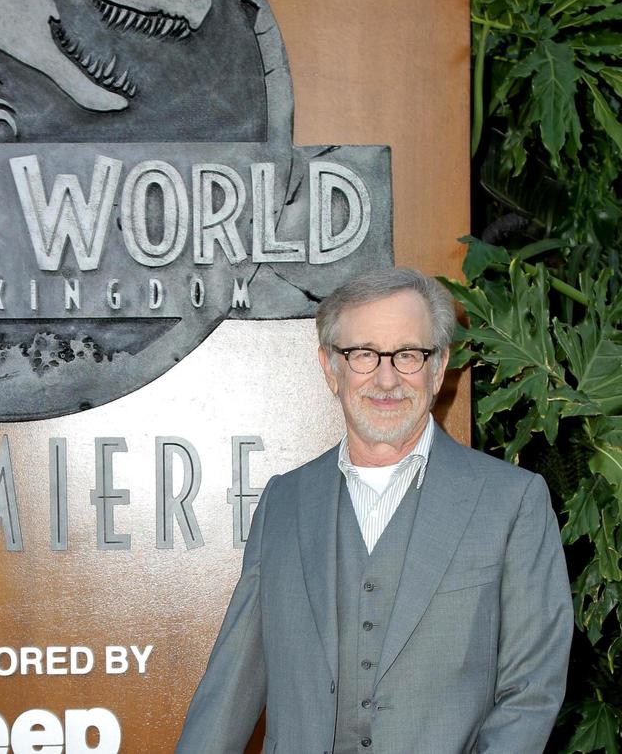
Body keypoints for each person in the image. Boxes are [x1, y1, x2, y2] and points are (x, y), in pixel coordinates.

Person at [176, 267, 573, 754]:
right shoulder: (284, 501)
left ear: (438, 366)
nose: (386, 379)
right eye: (363, 354)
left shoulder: (512, 502)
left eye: (408, 355)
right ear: (330, 368)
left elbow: (530, 693)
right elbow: (233, 684)